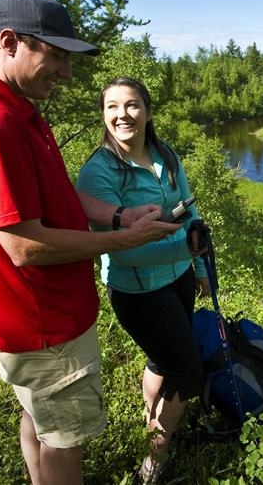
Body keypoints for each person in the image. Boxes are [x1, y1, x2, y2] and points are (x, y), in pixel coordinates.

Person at [0, 0, 184, 485]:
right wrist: (124, 241)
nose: (66, 73)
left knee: (40, 420)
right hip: (43, 320)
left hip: (27, 315)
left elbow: (50, 200)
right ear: (9, 42)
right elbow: (24, 246)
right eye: (57, 55)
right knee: (65, 439)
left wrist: (118, 216)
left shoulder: (3, 108)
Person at [76, 77, 208, 483]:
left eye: (132, 105)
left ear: (148, 111)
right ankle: (154, 461)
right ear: (103, 115)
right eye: (112, 107)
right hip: (138, 291)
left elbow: (189, 209)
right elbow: (122, 250)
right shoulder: (98, 173)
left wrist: (199, 266)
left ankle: (155, 418)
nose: (123, 115)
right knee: (188, 373)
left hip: (180, 277)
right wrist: (184, 251)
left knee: (161, 360)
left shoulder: (165, 154)